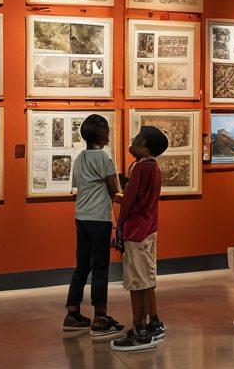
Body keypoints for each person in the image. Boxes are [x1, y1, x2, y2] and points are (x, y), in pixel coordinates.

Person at [63, 114, 125, 338]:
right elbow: (113, 190)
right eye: (106, 129)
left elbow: (75, 190)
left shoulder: (79, 159)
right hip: (99, 219)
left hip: (81, 217)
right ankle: (100, 316)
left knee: (82, 266)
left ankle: (73, 312)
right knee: (100, 267)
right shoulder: (105, 159)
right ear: (101, 133)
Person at [111, 125, 168, 352]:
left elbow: (129, 202)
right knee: (147, 279)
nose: (132, 140)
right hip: (149, 229)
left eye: (137, 138)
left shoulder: (140, 169)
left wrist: (119, 220)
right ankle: (153, 320)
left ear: (145, 148)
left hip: (136, 231)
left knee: (136, 283)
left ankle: (139, 329)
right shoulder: (153, 168)